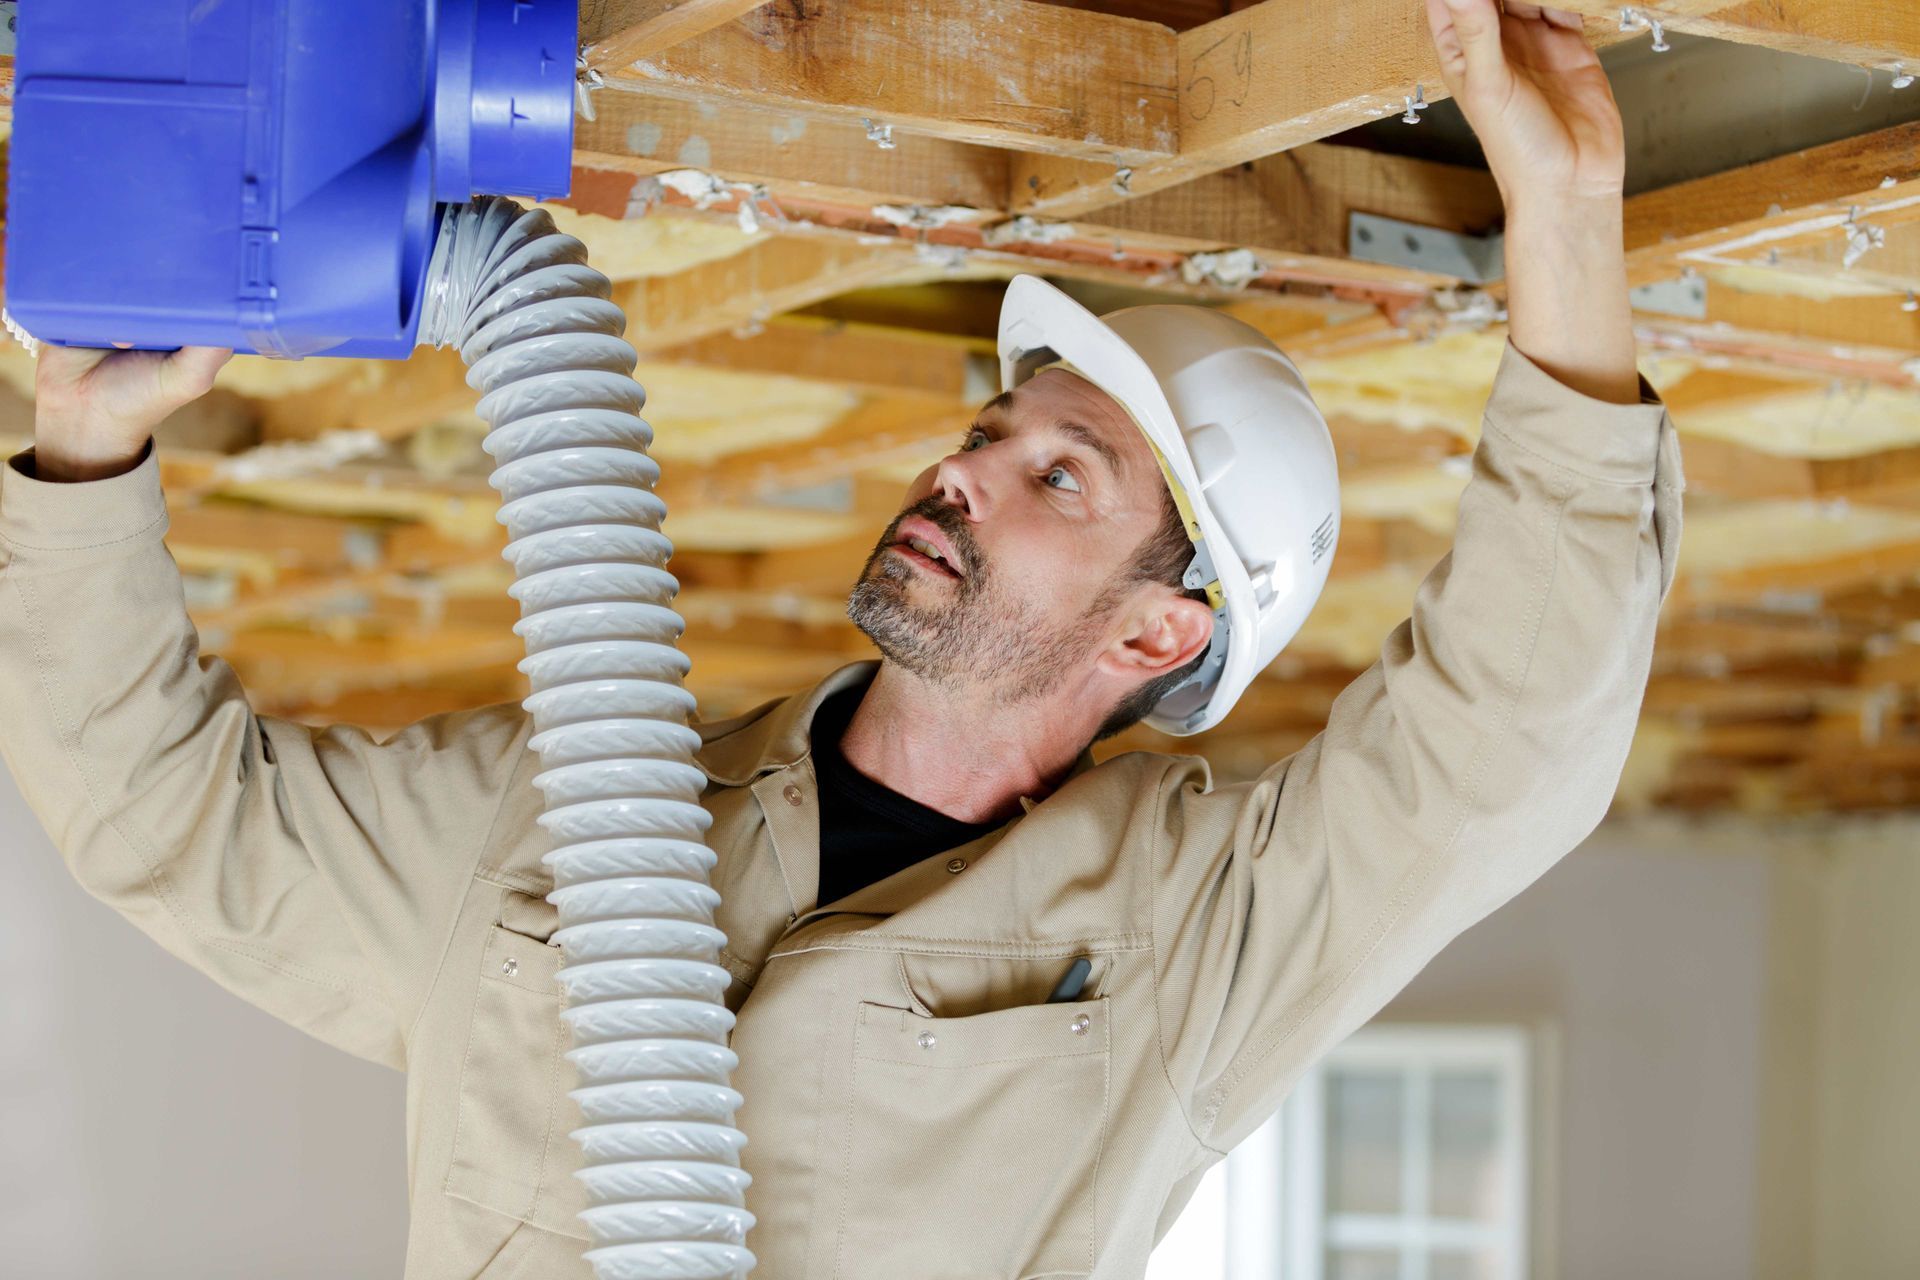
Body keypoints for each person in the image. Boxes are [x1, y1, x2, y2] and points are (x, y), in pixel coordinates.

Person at [0, 2, 1682, 1277]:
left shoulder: (1189, 949)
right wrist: (79, 453)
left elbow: (1503, 746)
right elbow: (166, 816)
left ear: (1161, 624)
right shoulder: (578, 810)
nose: (960, 467)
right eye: (990, 428)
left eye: (1057, 476)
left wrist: (1565, 216)